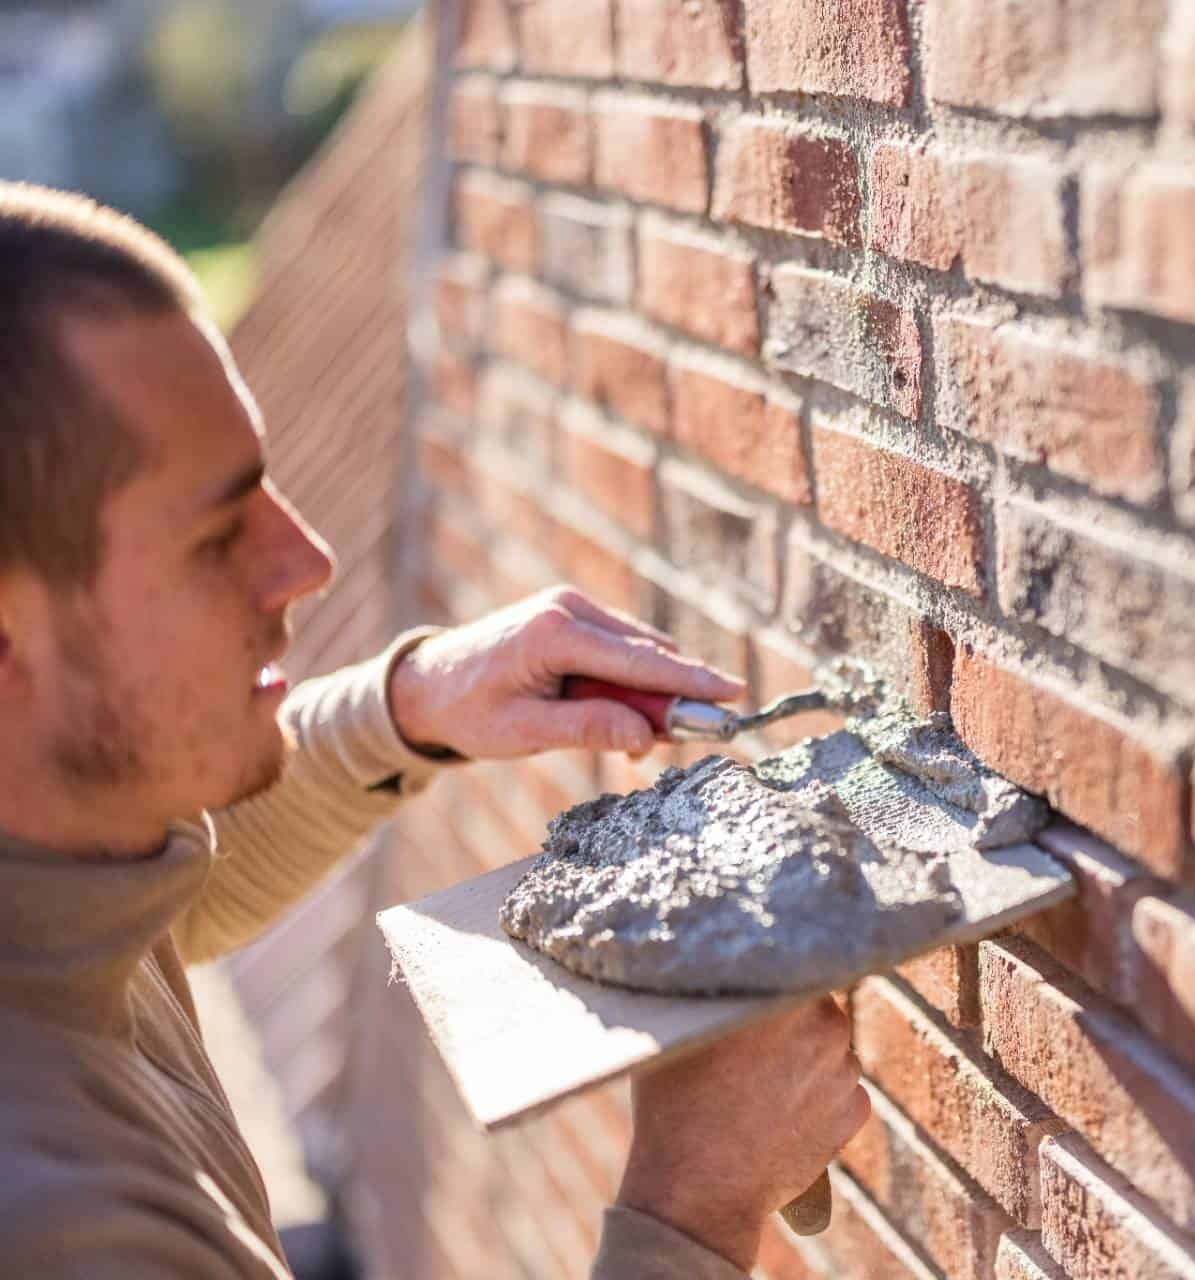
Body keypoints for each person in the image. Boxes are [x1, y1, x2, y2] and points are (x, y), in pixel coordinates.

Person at [0, 181, 869, 1278]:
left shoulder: (52, 869)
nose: (305, 561)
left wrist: (409, 711)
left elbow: (167, 914)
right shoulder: (53, 1230)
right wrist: (692, 1204)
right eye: (219, 532)